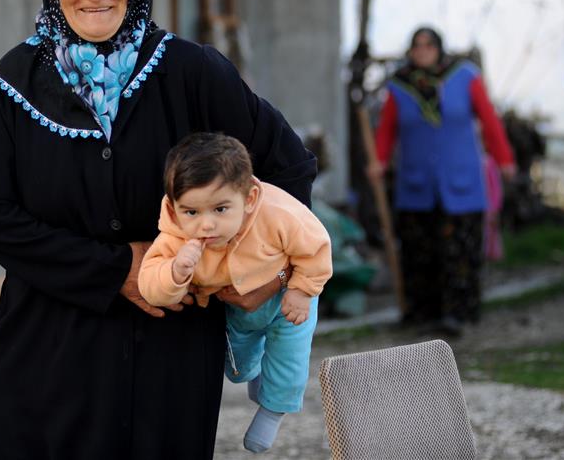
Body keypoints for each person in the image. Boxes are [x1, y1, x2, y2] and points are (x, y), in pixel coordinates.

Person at [0, 0, 317, 460]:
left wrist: (268, 271)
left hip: (169, 358)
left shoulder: (191, 72)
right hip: (47, 355)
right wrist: (115, 271)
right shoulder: (17, 82)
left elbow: (287, 167)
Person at [138, 132, 332, 453]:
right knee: (237, 365)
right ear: (173, 209)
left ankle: (272, 411)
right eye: (191, 212)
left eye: (220, 209)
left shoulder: (279, 213)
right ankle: (257, 378)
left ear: (250, 198)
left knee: (289, 362)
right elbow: (149, 285)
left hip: (288, 302)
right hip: (237, 309)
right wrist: (174, 274)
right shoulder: (176, 238)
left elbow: (316, 247)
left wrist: (301, 290)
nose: (206, 225)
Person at [366, 26, 515, 336]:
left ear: (439, 48)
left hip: (461, 180)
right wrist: (378, 161)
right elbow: (387, 130)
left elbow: (489, 119)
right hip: (417, 182)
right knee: (420, 249)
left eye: (429, 45)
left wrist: (504, 160)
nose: (423, 50)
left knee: (459, 249)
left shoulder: (465, 76)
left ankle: (458, 312)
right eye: (417, 46)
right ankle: (421, 311)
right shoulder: (399, 86)